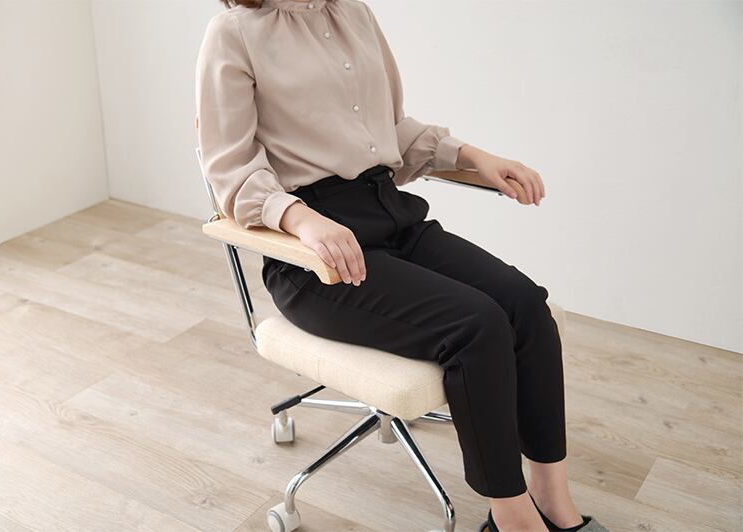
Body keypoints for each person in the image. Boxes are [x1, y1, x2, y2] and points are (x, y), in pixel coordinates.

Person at [195, 1, 607, 530]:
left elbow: (390, 131)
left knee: (525, 304)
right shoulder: (233, 33)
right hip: (316, 255)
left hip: (391, 214)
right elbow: (229, 171)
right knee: (477, 325)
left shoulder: (352, 13)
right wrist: (300, 219)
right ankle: (511, 518)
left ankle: (552, 499)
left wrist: (475, 157)